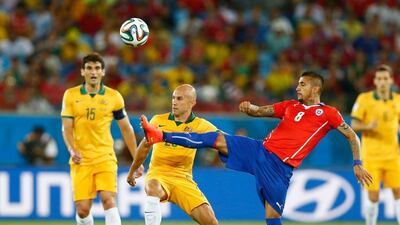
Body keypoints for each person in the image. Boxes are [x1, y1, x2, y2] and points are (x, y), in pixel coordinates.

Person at [139, 71, 373, 225]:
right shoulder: (291, 106)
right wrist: (251, 108)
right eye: (298, 84)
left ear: (316, 89)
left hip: (279, 167)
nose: (298, 88)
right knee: (217, 139)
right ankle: (160, 134)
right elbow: (263, 111)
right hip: (260, 150)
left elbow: (352, 136)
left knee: (272, 217)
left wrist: (357, 163)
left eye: (302, 84)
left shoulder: (328, 113)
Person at [61, 53, 143, 225]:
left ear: (103, 72)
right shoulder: (71, 95)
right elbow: (66, 128)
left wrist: (137, 158)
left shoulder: (114, 97)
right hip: (81, 159)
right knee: (83, 210)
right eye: (89, 68)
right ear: (82, 72)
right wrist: (71, 149)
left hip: (105, 156)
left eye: (97, 68)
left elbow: (126, 129)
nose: (93, 72)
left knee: (108, 199)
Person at [126, 84, 219, 225]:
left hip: (183, 178)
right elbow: (144, 146)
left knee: (211, 222)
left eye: (180, 99)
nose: (174, 102)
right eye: (173, 98)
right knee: (153, 186)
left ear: (192, 102)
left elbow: (224, 141)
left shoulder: (201, 125)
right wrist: (133, 170)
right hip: (158, 174)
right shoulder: (158, 120)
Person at [351, 64, 400, 225]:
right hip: (371, 156)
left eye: (385, 78)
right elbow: (354, 125)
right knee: (374, 195)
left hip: (393, 155)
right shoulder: (364, 99)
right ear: (375, 81)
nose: (383, 82)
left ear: (391, 80)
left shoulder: (398, 100)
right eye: (379, 79)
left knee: (398, 192)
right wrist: (367, 126)